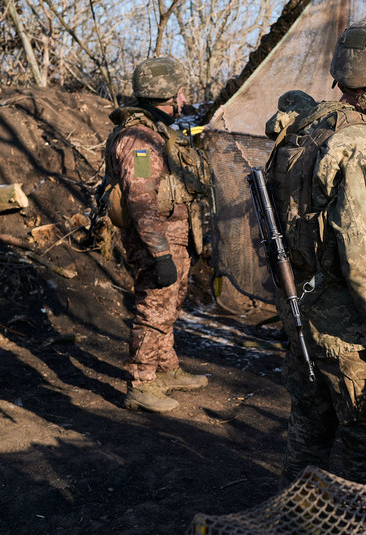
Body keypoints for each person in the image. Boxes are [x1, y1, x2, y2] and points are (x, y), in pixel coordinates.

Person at [264, 18, 366, 486]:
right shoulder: (363, 146)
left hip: (304, 317)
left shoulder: (309, 129)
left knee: (307, 440)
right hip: (352, 335)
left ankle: (291, 519)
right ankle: (362, 532)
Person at [104, 56, 211, 413]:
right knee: (154, 310)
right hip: (157, 241)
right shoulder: (140, 141)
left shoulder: (155, 132)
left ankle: (165, 367)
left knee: (169, 306)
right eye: (180, 93)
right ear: (167, 94)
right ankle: (141, 382)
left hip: (172, 237)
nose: (184, 100)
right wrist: (161, 254)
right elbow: (140, 198)